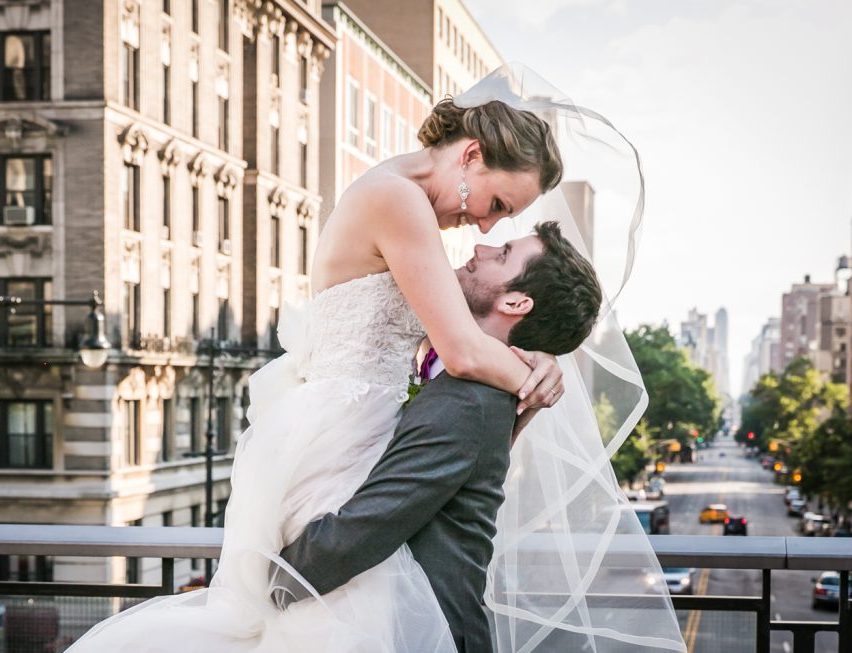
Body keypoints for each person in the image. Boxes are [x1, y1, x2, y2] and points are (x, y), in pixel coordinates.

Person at [67, 67, 567, 653]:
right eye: (497, 204)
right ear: (473, 155)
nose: (485, 223)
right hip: (342, 435)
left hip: (355, 427)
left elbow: (454, 341)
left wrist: (531, 364)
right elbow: (459, 350)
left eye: (503, 222)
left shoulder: (404, 201)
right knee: (337, 615)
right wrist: (536, 380)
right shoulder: (397, 199)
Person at [270, 222, 603, 653]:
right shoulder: (469, 379)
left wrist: (262, 590)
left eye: (502, 253)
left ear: (516, 301)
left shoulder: (468, 402)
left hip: (424, 634)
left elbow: (362, 531)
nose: (481, 246)